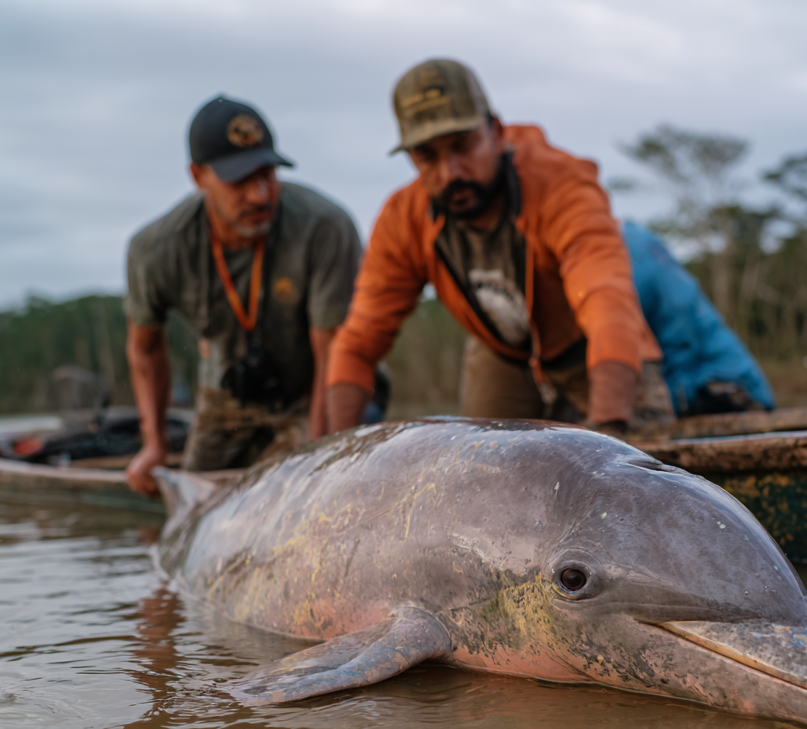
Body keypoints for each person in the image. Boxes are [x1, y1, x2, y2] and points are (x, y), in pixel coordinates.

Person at [319, 59, 673, 439]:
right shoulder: (403, 220)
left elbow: (608, 303)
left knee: (637, 468)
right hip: (502, 354)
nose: (450, 172)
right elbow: (357, 345)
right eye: (427, 156)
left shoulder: (561, 185)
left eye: (463, 146)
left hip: (593, 348)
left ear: (497, 133)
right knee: (481, 473)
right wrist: (338, 458)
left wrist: (609, 432)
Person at [124, 95, 363, 496]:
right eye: (240, 179)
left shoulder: (325, 228)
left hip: (316, 389)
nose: (261, 195)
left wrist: (320, 459)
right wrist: (155, 444)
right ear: (198, 176)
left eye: (268, 172)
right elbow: (145, 349)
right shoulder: (156, 249)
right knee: (195, 499)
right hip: (228, 396)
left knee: (286, 490)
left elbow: (333, 353)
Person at [622, 222, 775, 416]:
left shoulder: (631, 250)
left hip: (717, 386)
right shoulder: (631, 240)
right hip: (691, 388)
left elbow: (680, 322)